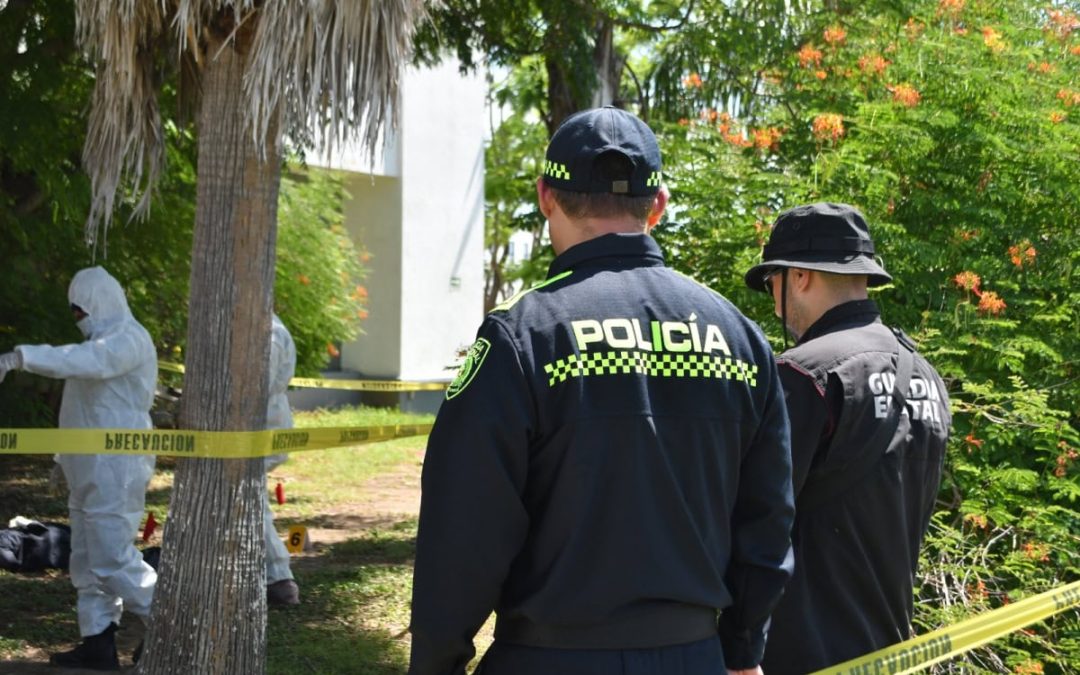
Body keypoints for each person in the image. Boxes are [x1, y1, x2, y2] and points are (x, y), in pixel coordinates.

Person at [408, 106, 795, 675]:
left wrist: (435, 663)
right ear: (658, 206)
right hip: (693, 658)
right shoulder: (739, 335)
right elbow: (768, 519)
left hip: (548, 658)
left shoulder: (521, 336)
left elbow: (462, 527)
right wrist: (742, 649)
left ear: (546, 196)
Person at [742, 203, 951, 673]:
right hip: (890, 653)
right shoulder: (927, 377)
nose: (774, 303)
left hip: (802, 654)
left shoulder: (803, 372)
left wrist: (738, 641)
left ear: (798, 277)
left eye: (772, 284)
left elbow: (760, 523)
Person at [0, 266, 158, 670]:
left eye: (81, 310)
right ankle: (97, 643)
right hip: (88, 467)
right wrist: (61, 459)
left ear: (101, 302)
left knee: (111, 558)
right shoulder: (102, 344)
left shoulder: (126, 340)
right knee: (86, 561)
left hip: (117, 468)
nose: (78, 318)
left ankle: (175, 622)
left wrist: (24, 356)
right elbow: (78, 414)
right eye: (74, 312)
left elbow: (87, 361)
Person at [264, 313, 300, 606]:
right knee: (246, 501)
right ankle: (275, 577)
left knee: (247, 501)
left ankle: (278, 578)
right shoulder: (262, 327)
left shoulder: (269, 332)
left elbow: (256, 384)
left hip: (263, 429)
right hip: (258, 427)